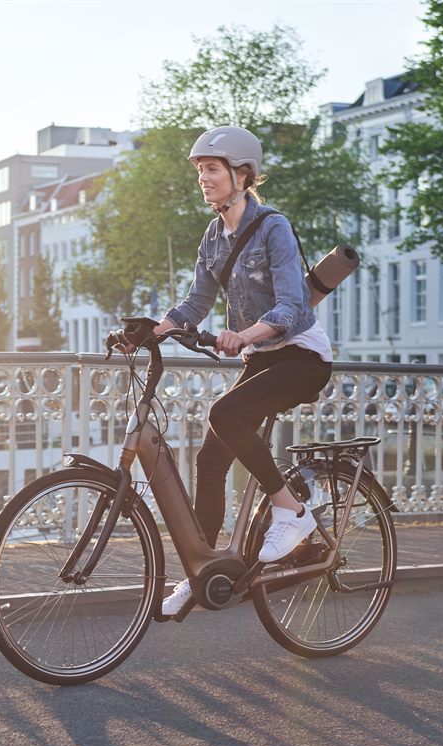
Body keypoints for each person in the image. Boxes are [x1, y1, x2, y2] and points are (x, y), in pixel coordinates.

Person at [155, 125, 334, 616]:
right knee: (209, 462)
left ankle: (290, 510)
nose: (203, 179)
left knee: (225, 414)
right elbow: (197, 301)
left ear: (242, 173)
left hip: (301, 357)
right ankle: (201, 568)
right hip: (262, 359)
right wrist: (153, 330)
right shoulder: (214, 236)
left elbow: (293, 308)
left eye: (211, 170)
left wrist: (245, 334)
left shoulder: (272, 226)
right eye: (200, 171)